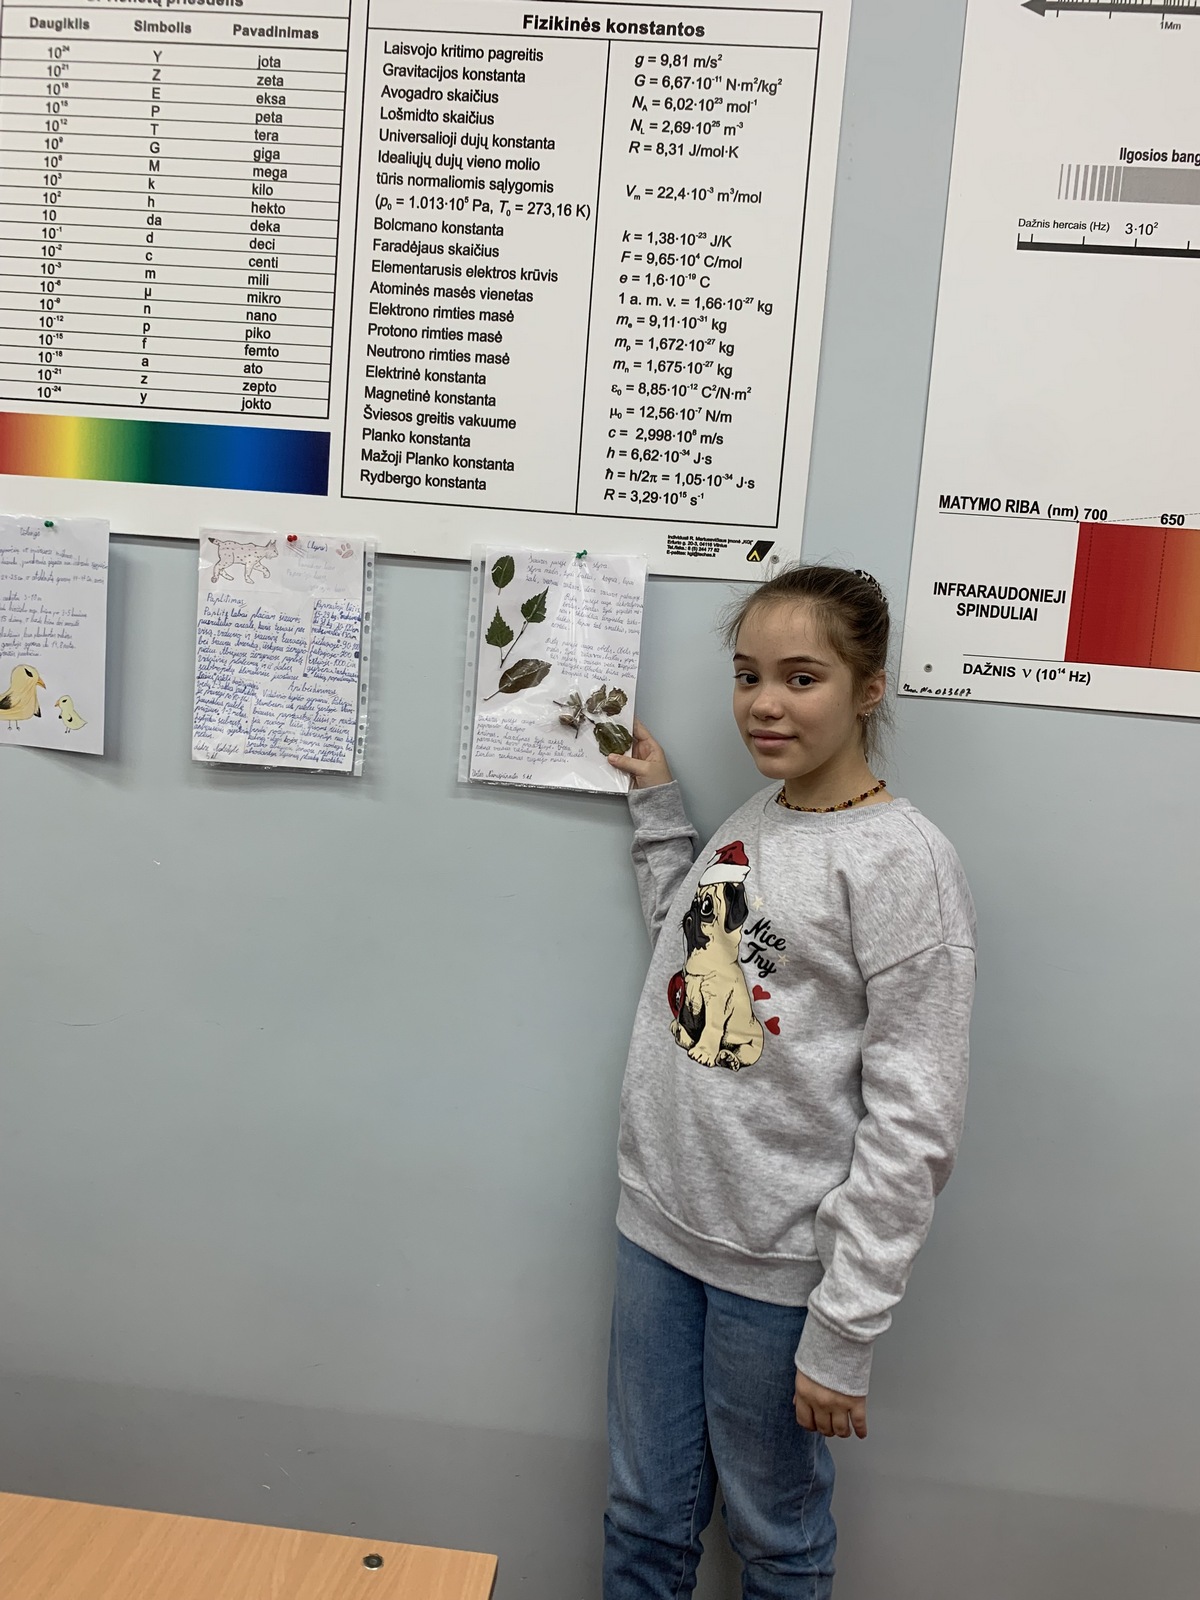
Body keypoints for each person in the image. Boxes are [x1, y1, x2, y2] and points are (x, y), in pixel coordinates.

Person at [601, 564, 976, 1599]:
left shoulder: (903, 864)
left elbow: (916, 1121)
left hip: (779, 1273)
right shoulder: (757, 816)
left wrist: (845, 1327)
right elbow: (693, 950)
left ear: (868, 688)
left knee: (776, 1538)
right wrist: (660, 807)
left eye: (801, 678)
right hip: (659, 1227)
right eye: (748, 675)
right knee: (641, 1517)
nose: (765, 704)